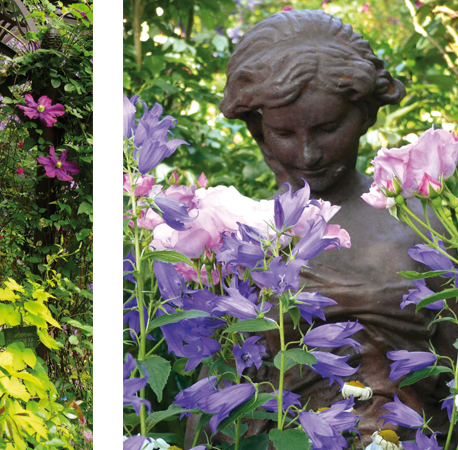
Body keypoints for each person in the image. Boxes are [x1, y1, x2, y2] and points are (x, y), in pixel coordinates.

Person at [187, 9, 454, 447]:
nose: (309, 154)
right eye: (283, 132)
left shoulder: (422, 226)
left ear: (366, 113)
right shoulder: (237, 235)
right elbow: (213, 393)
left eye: (329, 127)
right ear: (256, 126)